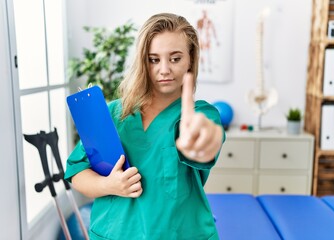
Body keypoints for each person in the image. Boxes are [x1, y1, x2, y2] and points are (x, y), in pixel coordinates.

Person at [65, 12, 225, 240]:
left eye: (175, 58)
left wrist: (199, 139)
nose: (164, 69)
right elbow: (77, 172)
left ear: (191, 59)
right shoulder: (112, 113)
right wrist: (109, 185)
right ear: (143, 60)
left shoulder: (201, 113)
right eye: (154, 59)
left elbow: (203, 145)